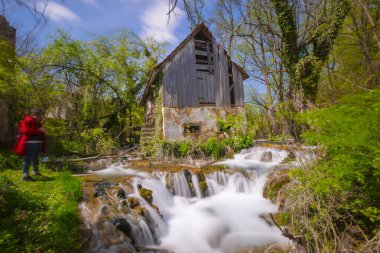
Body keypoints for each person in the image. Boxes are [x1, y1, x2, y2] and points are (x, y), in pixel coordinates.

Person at [14, 108, 46, 181]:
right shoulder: (28, 120)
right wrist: (39, 131)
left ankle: (35, 171)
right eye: (40, 116)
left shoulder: (37, 122)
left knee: (36, 158)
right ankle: (25, 175)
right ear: (35, 115)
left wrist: (42, 131)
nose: (41, 117)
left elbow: (38, 131)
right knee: (28, 159)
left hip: (38, 142)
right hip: (30, 143)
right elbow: (26, 131)